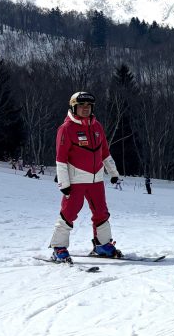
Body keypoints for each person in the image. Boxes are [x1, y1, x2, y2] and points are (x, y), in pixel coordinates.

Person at [49, 91, 122, 262]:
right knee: (69, 212)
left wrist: (113, 172)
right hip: (76, 180)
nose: (85, 108)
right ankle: (59, 248)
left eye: (88, 106)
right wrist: (64, 183)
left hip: (97, 180)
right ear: (74, 107)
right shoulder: (66, 128)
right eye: (81, 105)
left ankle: (102, 245)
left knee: (101, 212)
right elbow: (61, 159)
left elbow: (105, 152)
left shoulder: (97, 127)